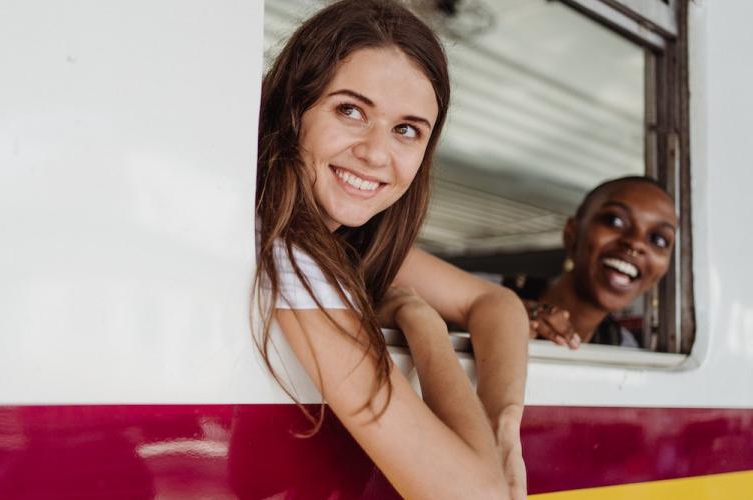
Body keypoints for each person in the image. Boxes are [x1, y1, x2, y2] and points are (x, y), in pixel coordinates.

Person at [252, 1, 528, 498]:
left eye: (406, 130)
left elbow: (496, 303)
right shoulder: (286, 253)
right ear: (295, 111)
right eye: (351, 111)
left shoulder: (340, 240)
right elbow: (478, 496)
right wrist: (422, 324)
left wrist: (503, 428)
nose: (377, 153)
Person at [521, 176, 677, 349]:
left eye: (659, 240)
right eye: (615, 221)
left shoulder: (624, 349)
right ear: (572, 233)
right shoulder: (490, 294)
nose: (636, 243)